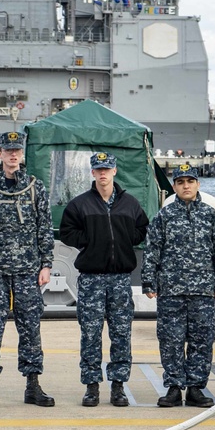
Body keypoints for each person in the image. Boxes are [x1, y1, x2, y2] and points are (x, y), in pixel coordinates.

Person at [0, 131, 55, 407]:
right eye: (8, 150)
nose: (12, 155)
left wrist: (46, 264)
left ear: (22, 154)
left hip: (28, 271)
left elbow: (44, 227)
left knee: (31, 329)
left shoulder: (35, 187)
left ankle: (33, 385)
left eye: (16, 150)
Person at [60, 152, 149, 407]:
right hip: (91, 279)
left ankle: (118, 386)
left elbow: (142, 228)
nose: (102, 173)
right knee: (90, 334)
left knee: (121, 334)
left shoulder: (129, 203)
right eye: (98, 169)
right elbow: (67, 232)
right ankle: (91, 386)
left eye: (106, 169)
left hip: (120, 279)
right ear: (92, 173)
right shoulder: (80, 204)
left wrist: (124, 239)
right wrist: (89, 241)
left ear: (114, 171)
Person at [142, 163, 215, 408]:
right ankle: (173, 387)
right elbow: (152, 250)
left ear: (197, 184)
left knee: (201, 340)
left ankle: (195, 388)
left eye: (190, 181)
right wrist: (149, 280)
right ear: (174, 187)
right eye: (181, 182)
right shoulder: (165, 216)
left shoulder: (210, 215)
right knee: (170, 340)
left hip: (203, 290)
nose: (186, 186)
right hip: (171, 289)